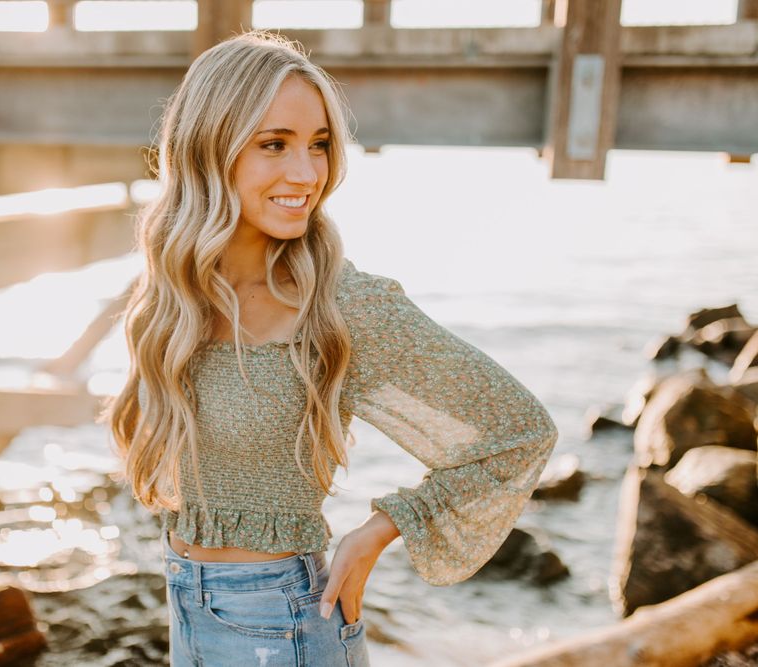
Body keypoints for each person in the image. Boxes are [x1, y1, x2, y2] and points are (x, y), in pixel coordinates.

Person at [101, 30, 559, 667]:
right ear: (210, 149)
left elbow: (517, 431)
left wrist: (380, 530)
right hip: (185, 607)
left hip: (288, 626)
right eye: (274, 145)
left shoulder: (341, 304)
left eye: (318, 146)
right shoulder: (178, 294)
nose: (307, 173)